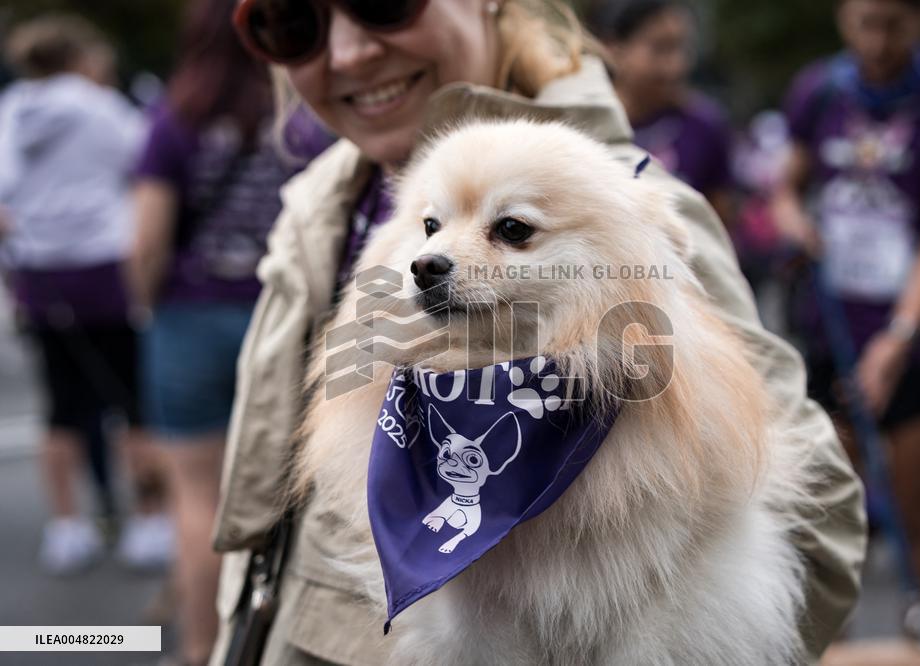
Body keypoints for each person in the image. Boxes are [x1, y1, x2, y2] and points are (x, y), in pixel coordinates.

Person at [210, 1, 867, 664]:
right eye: (292, 24)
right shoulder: (323, 202)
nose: (348, 52)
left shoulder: (624, 202)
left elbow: (823, 521)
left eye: (382, 4)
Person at [772, 0, 920, 614]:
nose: (876, 41)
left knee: (916, 509)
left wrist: (899, 336)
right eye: (864, 22)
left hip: (917, 336)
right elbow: (786, 185)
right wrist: (794, 221)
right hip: (831, 327)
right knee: (832, 517)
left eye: (894, 25)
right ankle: (834, 643)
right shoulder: (819, 91)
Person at [128, 1, 329, 662]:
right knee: (290, 499)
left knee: (199, 499)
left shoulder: (176, 116)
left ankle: (203, 649)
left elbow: (148, 240)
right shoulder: (309, 118)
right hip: (288, 319)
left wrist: (144, 306)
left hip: (189, 318)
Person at [0, 14, 171, 575]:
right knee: (130, 398)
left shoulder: (12, 111)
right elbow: (148, 163)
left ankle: (68, 528)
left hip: (39, 270)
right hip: (103, 263)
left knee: (61, 405)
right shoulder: (101, 108)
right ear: (82, 57)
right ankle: (148, 521)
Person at [589, 0, 734, 222]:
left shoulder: (704, 127)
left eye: (681, 47)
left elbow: (719, 223)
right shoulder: (584, 124)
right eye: (660, 48)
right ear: (614, 50)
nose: (676, 65)